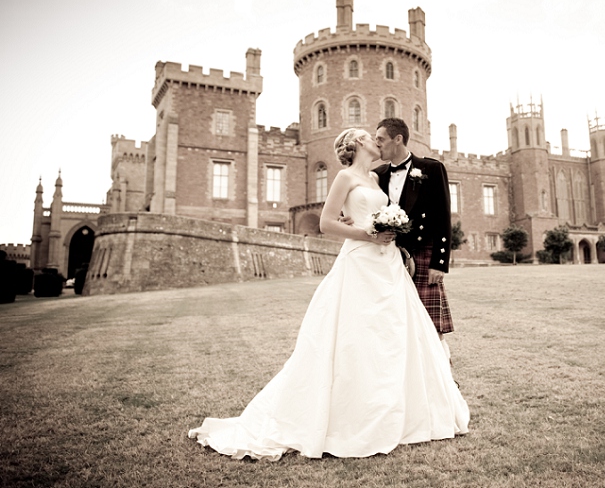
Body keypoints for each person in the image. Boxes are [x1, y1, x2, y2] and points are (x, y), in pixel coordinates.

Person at [188, 128, 469, 461]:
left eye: (378, 136)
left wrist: (386, 231)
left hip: (388, 263)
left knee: (392, 333)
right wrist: (365, 233)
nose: (375, 141)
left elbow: (369, 215)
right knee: (354, 336)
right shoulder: (344, 177)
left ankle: (399, 407)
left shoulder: (377, 179)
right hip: (361, 262)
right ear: (356, 145)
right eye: (369, 137)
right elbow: (325, 224)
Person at [373, 118, 455, 361]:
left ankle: (443, 380)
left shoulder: (431, 168)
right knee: (396, 321)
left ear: (398, 139)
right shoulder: (377, 174)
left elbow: (442, 216)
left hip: (424, 251)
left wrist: (439, 263)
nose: (377, 145)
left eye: (380, 139)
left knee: (431, 325)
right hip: (389, 255)